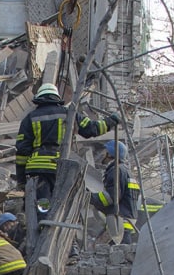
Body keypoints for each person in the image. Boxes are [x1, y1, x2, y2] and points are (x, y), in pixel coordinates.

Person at [15, 83, 120, 214]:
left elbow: (21, 151)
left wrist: (21, 179)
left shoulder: (30, 118)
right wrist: (112, 121)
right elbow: (92, 129)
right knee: (59, 205)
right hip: (61, 167)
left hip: (37, 170)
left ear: (39, 98)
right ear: (56, 98)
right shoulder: (69, 114)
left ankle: (40, 226)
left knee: (41, 206)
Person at [91, 140, 159, 243]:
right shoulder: (126, 171)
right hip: (125, 220)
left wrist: (89, 197)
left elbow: (110, 198)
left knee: (115, 252)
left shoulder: (116, 171)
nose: (103, 154)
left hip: (119, 222)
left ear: (110, 153)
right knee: (115, 250)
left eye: (106, 151)